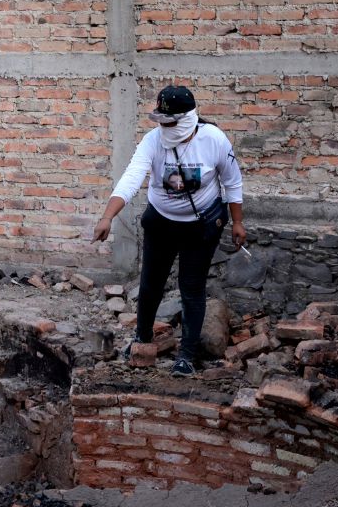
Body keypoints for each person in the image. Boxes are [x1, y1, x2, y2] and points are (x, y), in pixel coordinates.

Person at [91, 85, 247, 377]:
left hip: (201, 226)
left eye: (171, 122)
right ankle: (142, 337)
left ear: (188, 118)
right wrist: (107, 217)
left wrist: (237, 222)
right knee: (151, 284)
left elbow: (232, 182)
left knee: (191, 287)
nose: (165, 127)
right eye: (162, 121)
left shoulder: (214, 140)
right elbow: (131, 177)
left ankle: (186, 356)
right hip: (162, 222)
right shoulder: (152, 142)